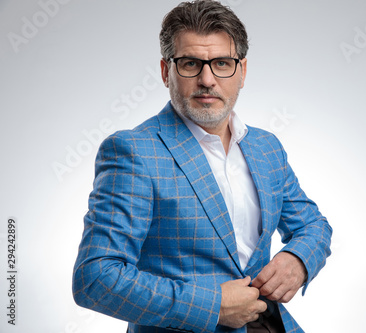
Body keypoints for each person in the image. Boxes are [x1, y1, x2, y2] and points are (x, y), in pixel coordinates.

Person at [72, 1, 332, 332]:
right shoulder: (133, 151)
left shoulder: (266, 147)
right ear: (167, 71)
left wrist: (298, 260)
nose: (207, 79)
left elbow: (314, 226)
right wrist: (211, 305)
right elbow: (95, 278)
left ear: (242, 71)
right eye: (191, 64)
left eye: (222, 63)